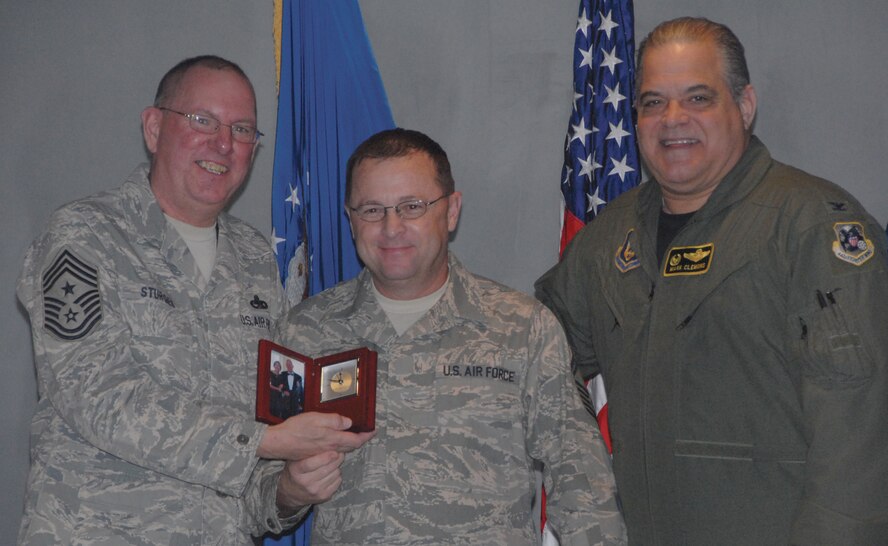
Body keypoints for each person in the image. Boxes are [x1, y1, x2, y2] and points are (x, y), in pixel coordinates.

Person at [535, 17, 888, 545]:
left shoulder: (812, 227)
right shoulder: (609, 239)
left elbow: (860, 438)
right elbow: (529, 350)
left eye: (697, 98)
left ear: (744, 106)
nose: (672, 120)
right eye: (653, 102)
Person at [17, 55, 371, 545]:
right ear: (154, 127)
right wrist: (264, 441)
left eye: (243, 129)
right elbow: (97, 393)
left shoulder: (254, 260)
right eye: (203, 120)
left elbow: (258, 457)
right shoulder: (85, 235)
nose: (223, 143)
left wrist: (289, 489)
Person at [272, 128, 626, 545]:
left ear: (451, 211)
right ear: (350, 220)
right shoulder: (305, 332)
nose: (391, 227)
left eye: (412, 206)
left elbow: (582, 480)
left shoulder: (522, 328)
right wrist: (287, 493)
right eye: (371, 210)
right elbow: (257, 491)